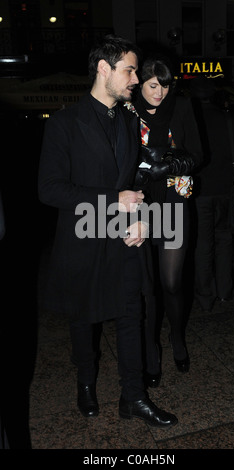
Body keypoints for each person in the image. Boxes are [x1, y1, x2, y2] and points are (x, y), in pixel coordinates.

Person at [38, 35, 178, 427]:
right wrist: (115, 199)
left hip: (124, 235)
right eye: (129, 69)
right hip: (83, 235)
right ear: (104, 68)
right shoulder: (65, 122)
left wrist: (141, 217)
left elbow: (138, 180)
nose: (135, 78)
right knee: (84, 319)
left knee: (132, 313)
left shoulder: (132, 120)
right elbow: (48, 189)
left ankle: (133, 396)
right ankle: (86, 383)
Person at [125, 56, 203, 385]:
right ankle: (151, 352)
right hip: (140, 203)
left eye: (165, 85)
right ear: (140, 84)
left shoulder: (181, 108)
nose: (159, 92)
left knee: (171, 281)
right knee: (148, 287)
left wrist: (168, 163)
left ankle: (178, 337)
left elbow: (198, 155)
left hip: (172, 201)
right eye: (153, 85)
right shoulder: (127, 112)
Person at [190, 77, 234, 311]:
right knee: (226, 241)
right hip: (228, 192)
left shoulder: (191, 122)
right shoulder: (231, 120)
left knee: (202, 245)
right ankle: (225, 291)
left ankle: (205, 295)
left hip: (200, 193)